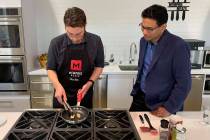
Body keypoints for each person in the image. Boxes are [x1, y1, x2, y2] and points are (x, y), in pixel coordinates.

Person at [129, 4, 191, 117]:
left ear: (163, 27)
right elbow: (144, 69)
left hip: (161, 104)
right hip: (140, 98)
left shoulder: (178, 46)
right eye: (142, 26)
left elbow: (184, 83)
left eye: (150, 29)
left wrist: (169, 108)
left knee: (156, 134)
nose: (144, 32)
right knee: (131, 130)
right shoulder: (143, 41)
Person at [47, 7, 104, 108]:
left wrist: (90, 83)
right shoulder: (56, 43)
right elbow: (50, 68)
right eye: (70, 34)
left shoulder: (96, 41)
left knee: (86, 122)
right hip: (61, 94)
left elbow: (99, 66)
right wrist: (57, 86)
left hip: (84, 94)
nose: (74, 38)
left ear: (84, 26)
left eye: (78, 34)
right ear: (65, 27)